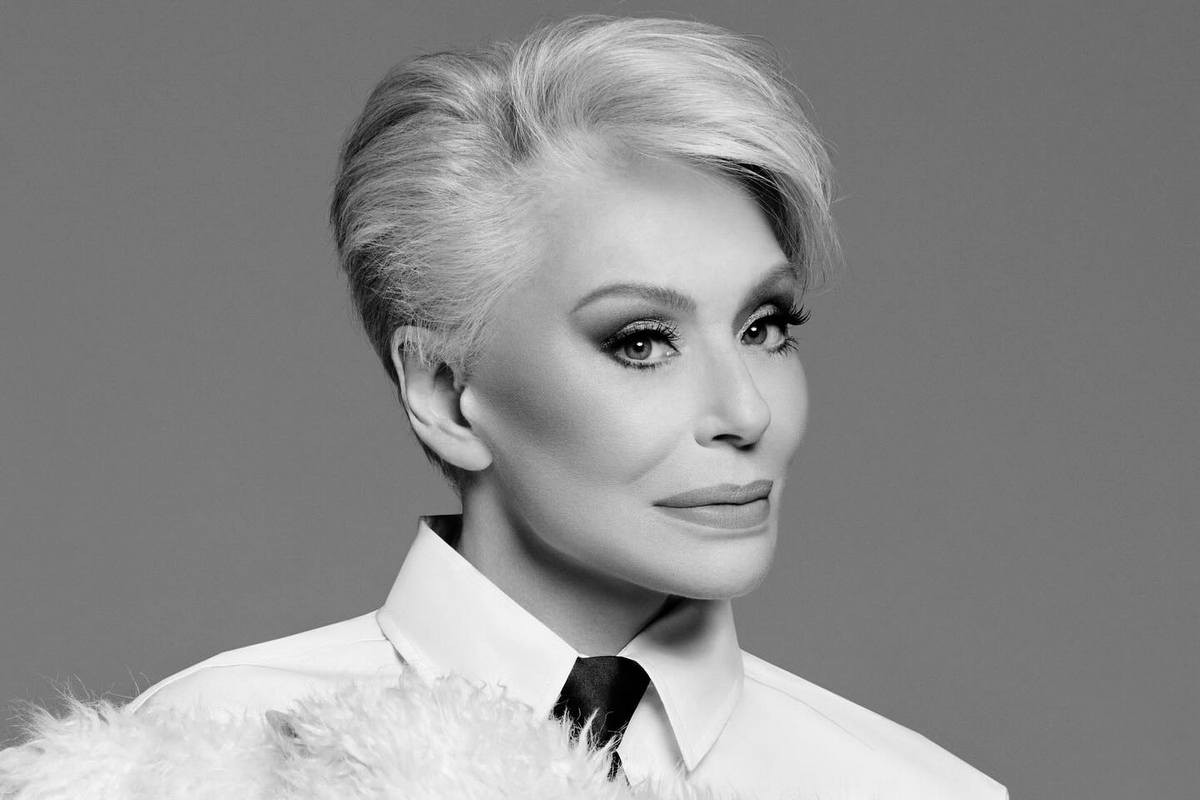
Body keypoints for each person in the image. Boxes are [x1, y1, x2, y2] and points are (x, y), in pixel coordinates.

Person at [7, 16, 1006, 800]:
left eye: (766, 326)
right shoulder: (204, 757)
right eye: (640, 341)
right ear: (445, 393)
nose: (746, 411)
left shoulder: (919, 789)